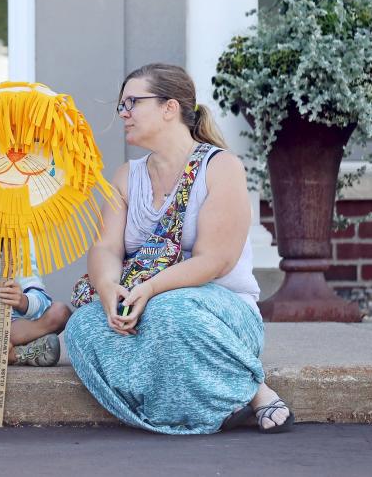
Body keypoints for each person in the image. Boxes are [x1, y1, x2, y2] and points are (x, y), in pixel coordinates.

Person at [63, 63, 294, 435]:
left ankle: (251, 391)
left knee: (170, 310)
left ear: (170, 107)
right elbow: (105, 247)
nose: (123, 113)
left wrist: (149, 289)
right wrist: (108, 291)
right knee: (82, 327)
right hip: (146, 306)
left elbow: (215, 261)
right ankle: (192, 405)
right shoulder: (126, 176)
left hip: (220, 315)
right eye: (121, 105)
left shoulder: (221, 168)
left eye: (133, 102)